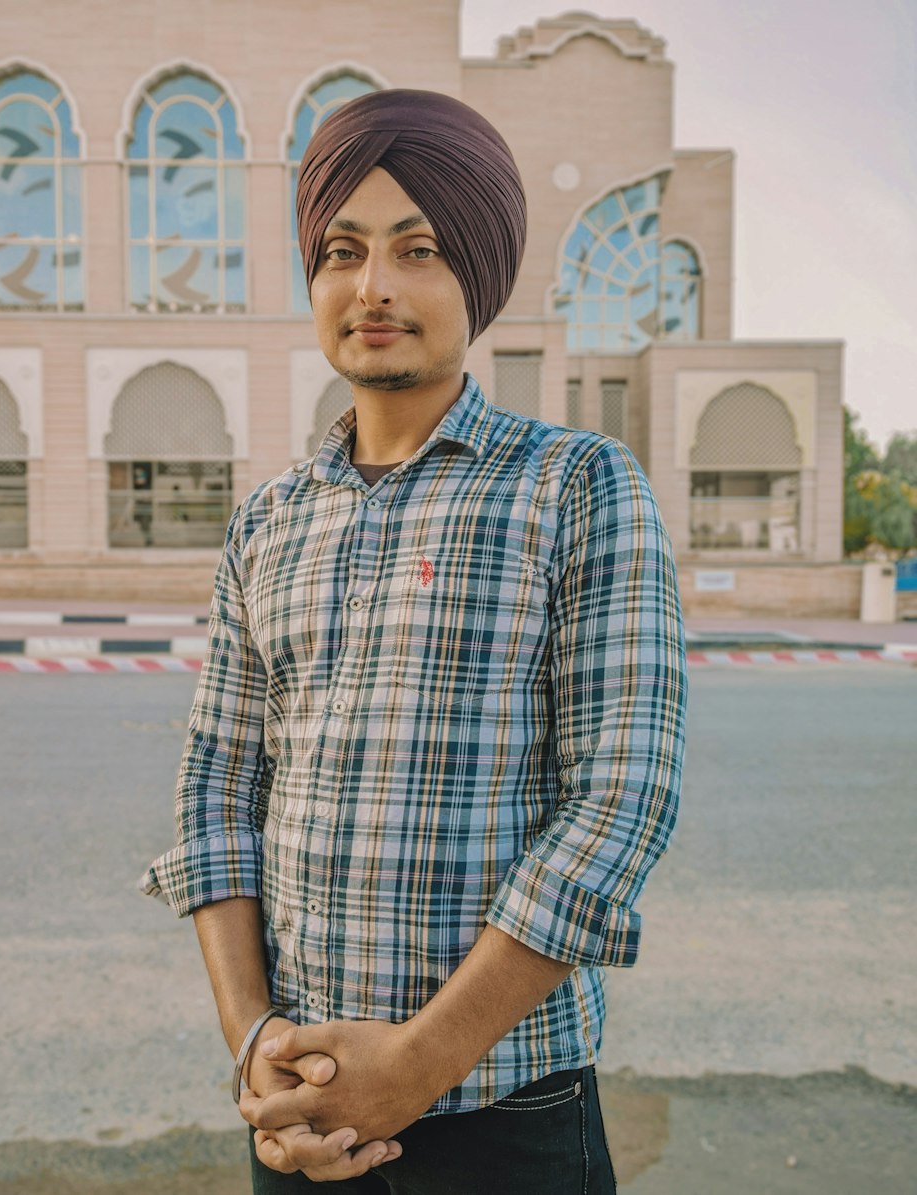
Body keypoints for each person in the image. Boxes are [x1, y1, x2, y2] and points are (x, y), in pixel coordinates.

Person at [142, 88, 687, 1193]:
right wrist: (254, 1046)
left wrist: (421, 1061)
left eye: (419, 248)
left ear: (475, 276)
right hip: (299, 1110)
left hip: (508, 1112)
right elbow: (217, 790)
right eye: (341, 250)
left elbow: (621, 798)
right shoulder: (268, 520)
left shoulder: (574, 486)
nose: (373, 286)